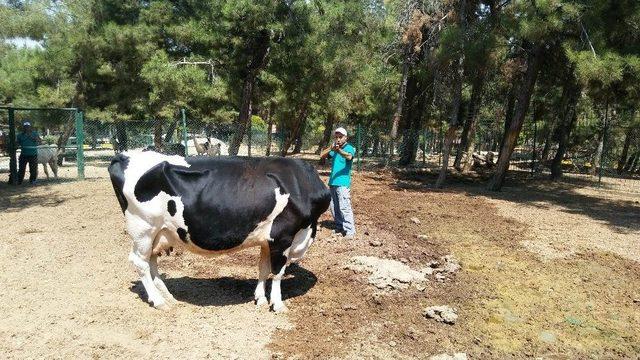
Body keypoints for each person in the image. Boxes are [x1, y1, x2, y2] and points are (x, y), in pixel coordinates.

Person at [320, 127, 356, 239]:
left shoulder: (350, 148)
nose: (338, 139)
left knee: (344, 206)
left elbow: (349, 156)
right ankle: (339, 226)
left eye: (340, 137)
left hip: (343, 183)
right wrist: (330, 148)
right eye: (336, 137)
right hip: (333, 182)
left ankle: (350, 231)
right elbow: (322, 155)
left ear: (346, 137)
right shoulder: (334, 149)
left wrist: (338, 150)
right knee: (334, 206)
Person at [16, 121, 41, 185]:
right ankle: (19, 181)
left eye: (28, 126)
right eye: (25, 127)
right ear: (23, 127)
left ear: (30, 127)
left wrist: (31, 136)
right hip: (24, 154)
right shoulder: (20, 135)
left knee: (33, 169)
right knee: (21, 169)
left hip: (33, 154)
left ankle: (32, 181)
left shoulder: (35, 133)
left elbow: (39, 141)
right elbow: (17, 143)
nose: (27, 128)